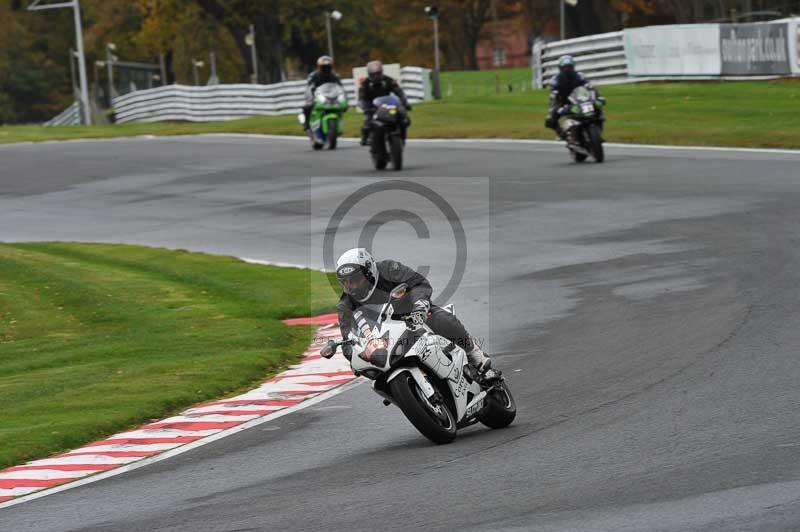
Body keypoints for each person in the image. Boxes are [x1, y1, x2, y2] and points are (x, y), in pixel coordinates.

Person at [327, 248, 498, 382]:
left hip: (412, 316)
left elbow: (418, 283)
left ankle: (474, 354)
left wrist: (420, 305)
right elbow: (347, 338)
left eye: (355, 279)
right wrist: (354, 356)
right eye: (346, 282)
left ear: (369, 272)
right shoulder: (345, 305)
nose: (352, 286)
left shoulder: (388, 270)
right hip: (384, 338)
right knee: (372, 373)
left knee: (437, 317)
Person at [544, 55, 603, 139]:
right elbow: (553, 96)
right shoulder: (555, 80)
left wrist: (598, 97)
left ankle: (598, 132)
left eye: (569, 67)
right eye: (565, 67)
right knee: (549, 120)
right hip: (563, 101)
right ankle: (560, 133)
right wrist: (554, 110)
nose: (567, 70)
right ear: (560, 68)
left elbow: (591, 87)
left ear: (573, 67)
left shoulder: (580, 76)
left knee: (597, 109)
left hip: (579, 98)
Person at [357, 60, 411, 146]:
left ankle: (402, 137)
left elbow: (399, 92)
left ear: (381, 72)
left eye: (378, 73)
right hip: (372, 106)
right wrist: (365, 107)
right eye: (373, 74)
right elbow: (361, 98)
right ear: (369, 74)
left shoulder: (389, 80)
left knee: (404, 118)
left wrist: (404, 103)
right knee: (368, 120)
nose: (376, 76)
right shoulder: (365, 84)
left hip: (388, 104)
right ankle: (365, 137)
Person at [302, 55, 343, 130]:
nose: (326, 69)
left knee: (341, 107)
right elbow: (309, 86)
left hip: (331, 96)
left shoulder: (335, 75)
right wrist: (311, 94)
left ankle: (338, 123)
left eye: (328, 67)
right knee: (307, 107)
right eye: (324, 67)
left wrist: (341, 95)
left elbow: (340, 87)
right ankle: (306, 123)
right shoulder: (313, 75)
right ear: (319, 67)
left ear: (331, 67)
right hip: (317, 95)